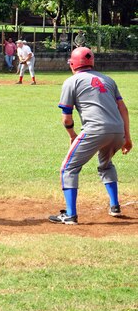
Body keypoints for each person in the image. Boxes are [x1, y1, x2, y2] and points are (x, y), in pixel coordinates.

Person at [49, 47, 132, 225]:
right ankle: (115, 206)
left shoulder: (71, 81)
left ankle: (70, 215)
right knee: (106, 164)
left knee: (68, 168)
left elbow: (66, 116)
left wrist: (72, 134)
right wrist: (127, 137)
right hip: (117, 130)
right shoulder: (108, 79)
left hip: (95, 130)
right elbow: (123, 109)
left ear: (73, 64)